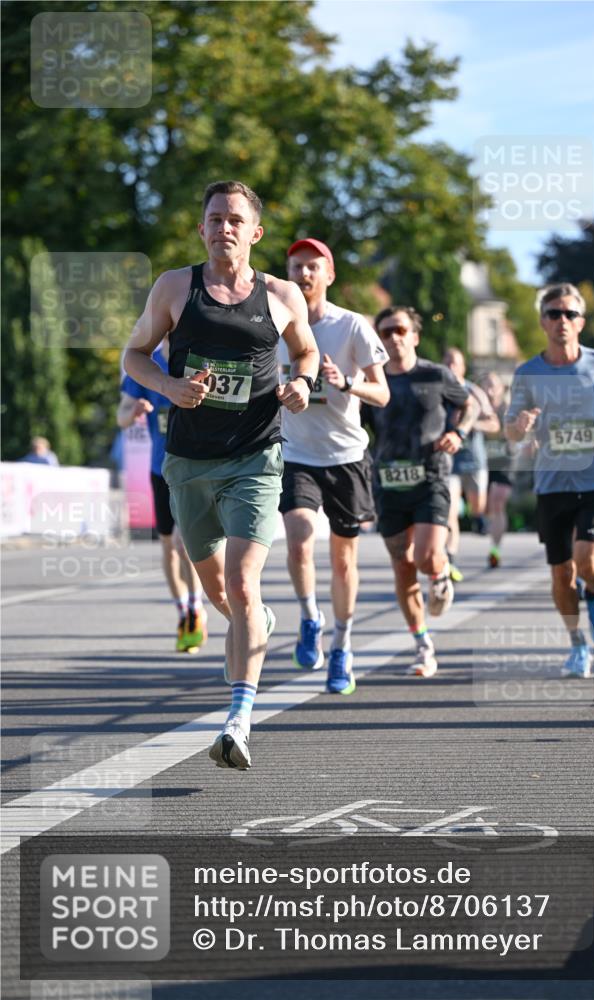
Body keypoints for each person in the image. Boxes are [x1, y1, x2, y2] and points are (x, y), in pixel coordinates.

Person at [123, 180, 319, 770]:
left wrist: (303, 383)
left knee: (240, 584)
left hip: (256, 455)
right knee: (216, 592)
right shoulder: (174, 287)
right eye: (214, 218)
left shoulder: (282, 294)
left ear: (255, 233)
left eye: (235, 219)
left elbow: (305, 351)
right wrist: (168, 386)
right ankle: (254, 625)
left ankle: (238, 718)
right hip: (188, 461)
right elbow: (134, 354)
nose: (223, 228)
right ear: (202, 228)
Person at [278, 238, 389, 695]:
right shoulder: (273, 323)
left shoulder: (352, 326)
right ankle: (309, 616)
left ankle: (342, 647)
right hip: (296, 452)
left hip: (346, 455)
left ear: (329, 275)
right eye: (296, 267)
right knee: (300, 539)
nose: (304, 274)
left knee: (344, 561)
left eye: (312, 267)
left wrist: (347, 383)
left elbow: (382, 393)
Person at [505, 283, 594, 679]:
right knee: (561, 574)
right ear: (543, 321)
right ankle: (578, 645)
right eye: (554, 313)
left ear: (582, 321)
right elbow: (510, 430)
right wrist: (519, 425)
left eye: (570, 314)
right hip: (551, 484)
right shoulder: (527, 373)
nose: (562, 320)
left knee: (587, 559)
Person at [365, 306, 475, 677]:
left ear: (414, 335)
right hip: (388, 484)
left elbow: (468, 404)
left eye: (400, 329)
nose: (393, 337)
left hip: (431, 477)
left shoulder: (436, 374)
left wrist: (457, 432)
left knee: (427, 557)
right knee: (403, 566)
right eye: (385, 332)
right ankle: (423, 645)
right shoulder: (373, 380)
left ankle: (441, 575)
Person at [117, 338, 207, 653]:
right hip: (160, 468)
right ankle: (184, 611)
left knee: (184, 545)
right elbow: (121, 417)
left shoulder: (200, 359)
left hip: (193, 467)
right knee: (169, 546)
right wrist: (135, 411)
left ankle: (196, 608)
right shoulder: (147, 364)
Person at [443, 348, 500, 580]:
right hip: (449, 460)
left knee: (478, 507)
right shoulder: (438, 391)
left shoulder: (473, 392)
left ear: (462, 367)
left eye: (455, 363)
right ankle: (450, 559)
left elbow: (494, 425)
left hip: (474, 459)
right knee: (450, 513)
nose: (450, 367)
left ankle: (477, 517)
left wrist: (469, 426)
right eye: (446, 362)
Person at [479, 371, 514, 569]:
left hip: (503, 463)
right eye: (487, 386)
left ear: (501, 389)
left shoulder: (507, 410)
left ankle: (495, 549)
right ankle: (484, 524)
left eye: (494, 386)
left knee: (498, 501)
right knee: (486, 507)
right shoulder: (476, 408)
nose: (490, 391)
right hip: (480, 463)